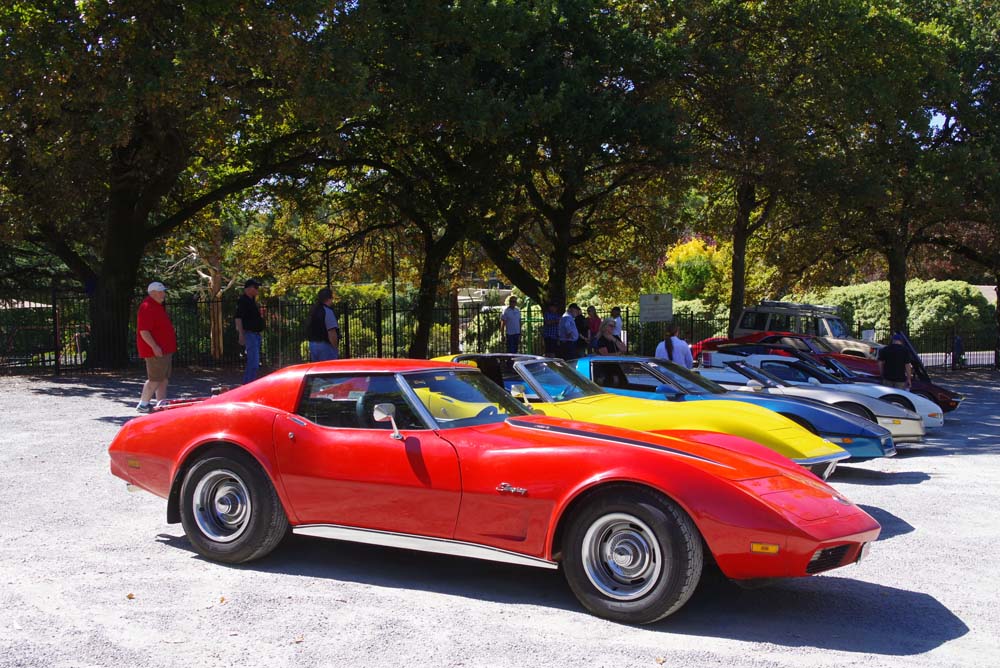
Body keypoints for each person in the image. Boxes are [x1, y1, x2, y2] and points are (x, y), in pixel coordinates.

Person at [136, 281, 177, 413]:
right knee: (155, 378)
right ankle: (143, 404)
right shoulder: (147, 307)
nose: (163, 294)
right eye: (160, 292)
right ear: (152, 293)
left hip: (164, 349)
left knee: (163, 379)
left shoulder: (156, 306)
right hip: (156, 351)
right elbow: (144, 331)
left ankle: (161, 403)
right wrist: (154, 346)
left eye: (163, 292)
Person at [235, 279, 265, 383]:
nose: (257, 290)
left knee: (255, 363)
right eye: (255, 287)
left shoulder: (252, 301)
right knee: (253, 363)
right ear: (249, 289)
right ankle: (248, 385)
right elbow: (238, 318)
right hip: (250, 334)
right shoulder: (243, 301)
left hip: (256, 335)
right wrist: (241, 334)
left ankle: (249, 383)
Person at [306, 288, 340, 361]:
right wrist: (335, 348)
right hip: (325, 346)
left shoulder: (313, 311)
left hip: (313, 344)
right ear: (329, 299)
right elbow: (332, 332)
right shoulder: (327, 311)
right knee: (329, 367)